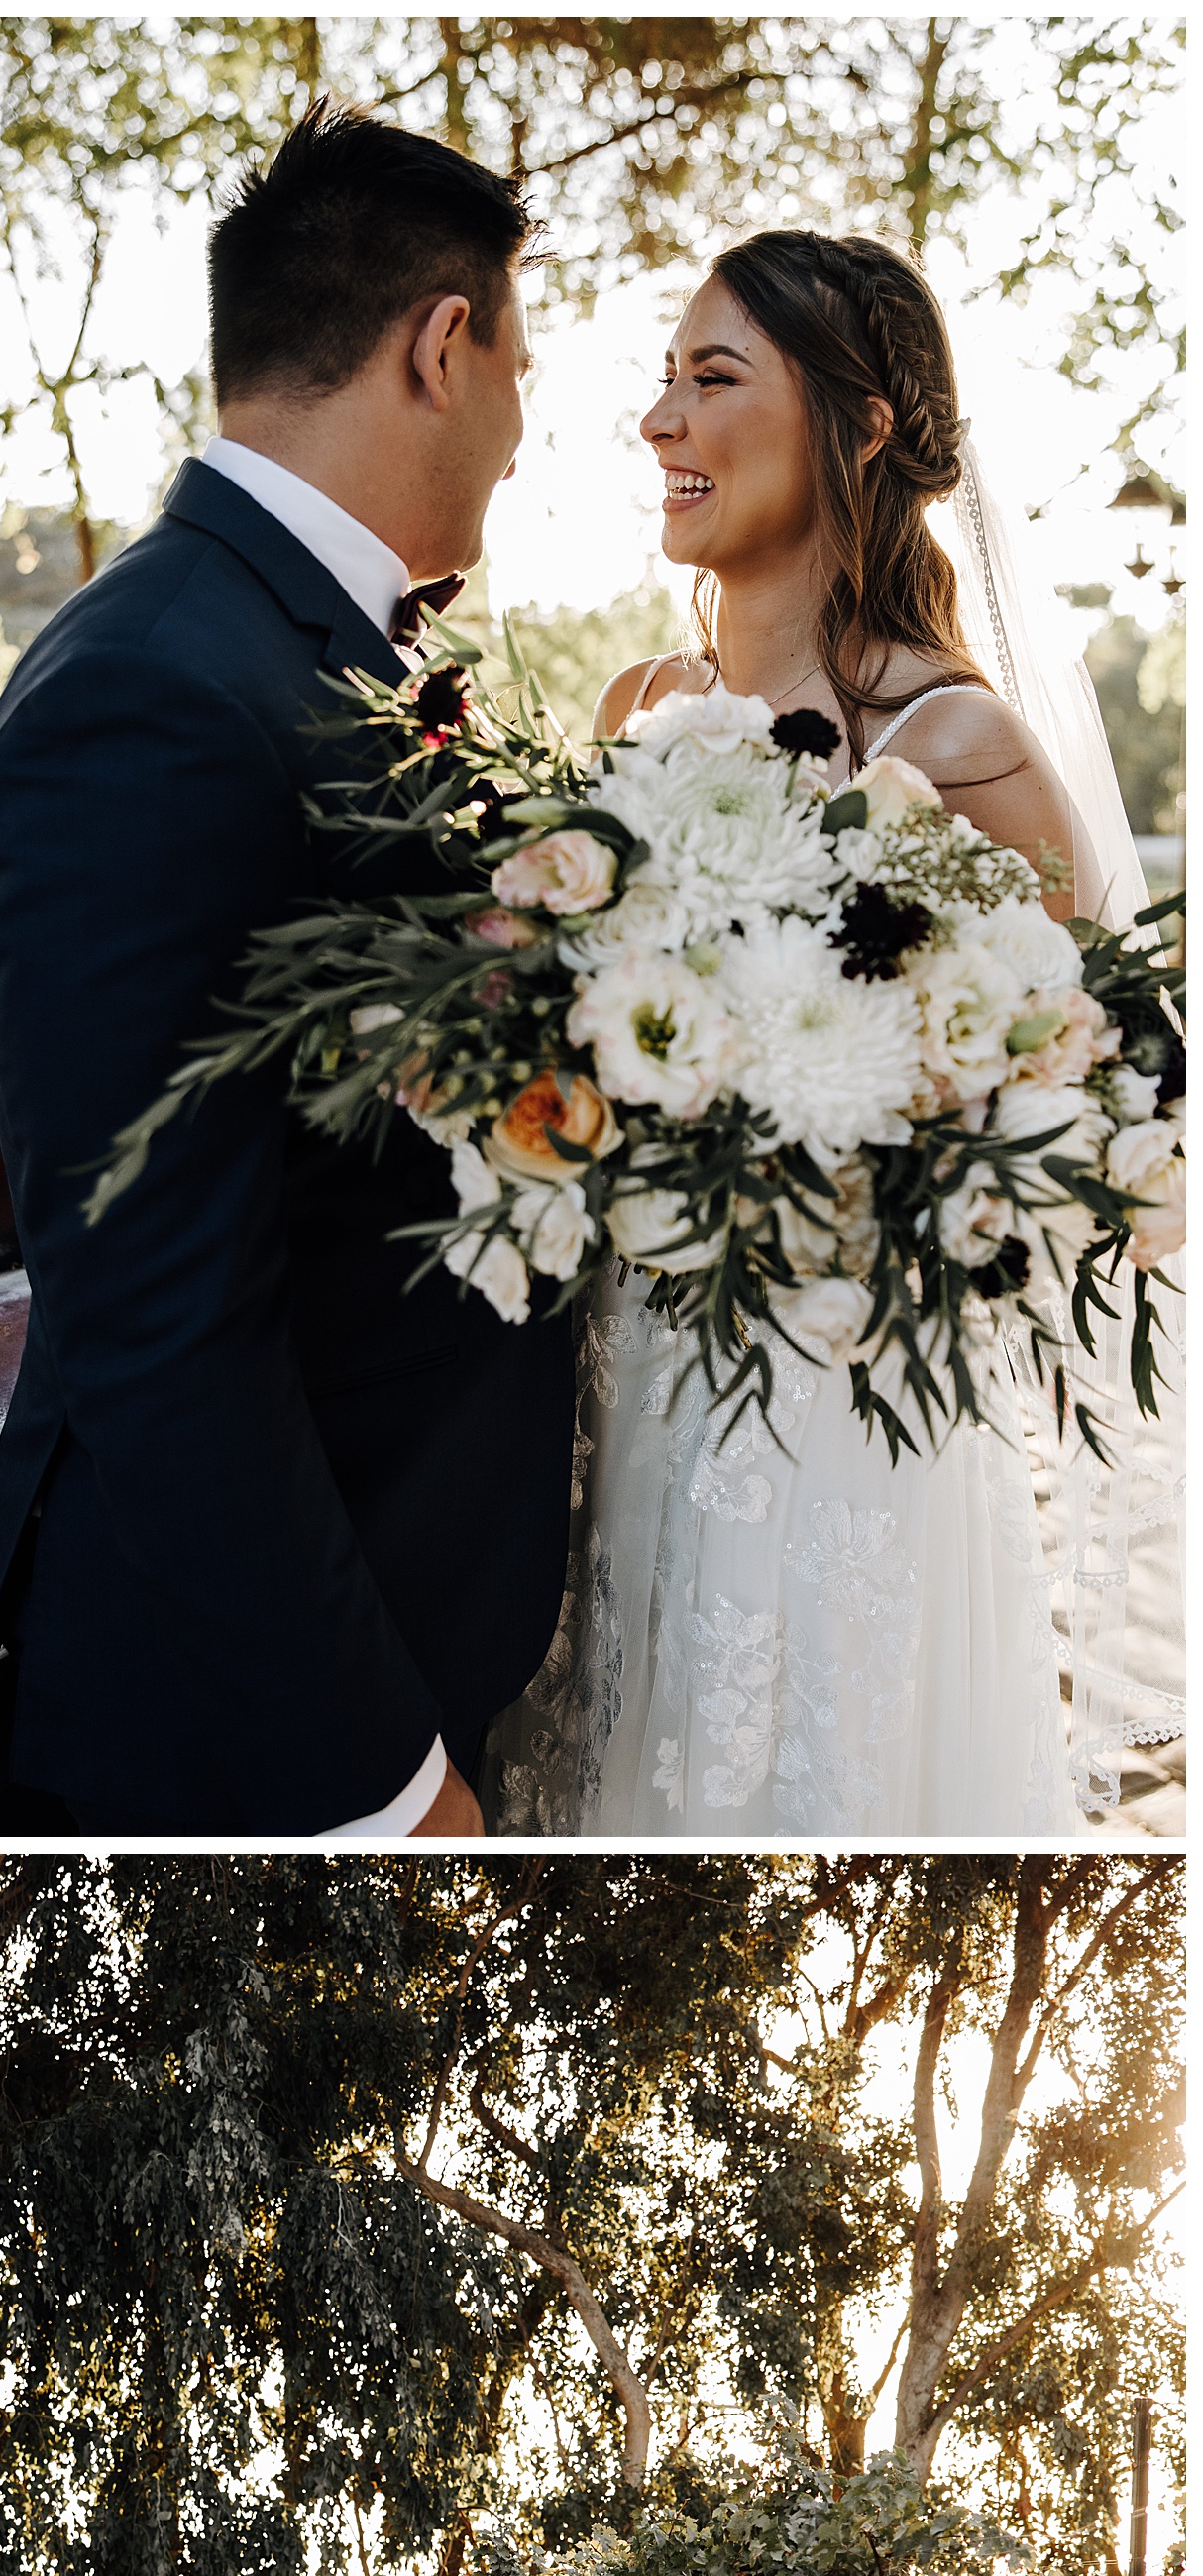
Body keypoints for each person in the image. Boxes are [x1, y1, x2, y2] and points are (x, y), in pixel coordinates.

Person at [492, 230, 1158, 1837]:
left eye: (713, 379)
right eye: (661, 381)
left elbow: (1057, 1135)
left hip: (852, 1436)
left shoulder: (965, 749)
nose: (660, 422)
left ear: (861, 428)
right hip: (629, 1400)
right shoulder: (630, 713)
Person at [0, 103, 577, 1837]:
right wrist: (377, 1788)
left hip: (403, 1635)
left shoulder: (306, 649)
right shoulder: (148, 688)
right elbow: (159, 1314)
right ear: (442, 347)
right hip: (233, 1750)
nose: (527, 439)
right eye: (521, 368)